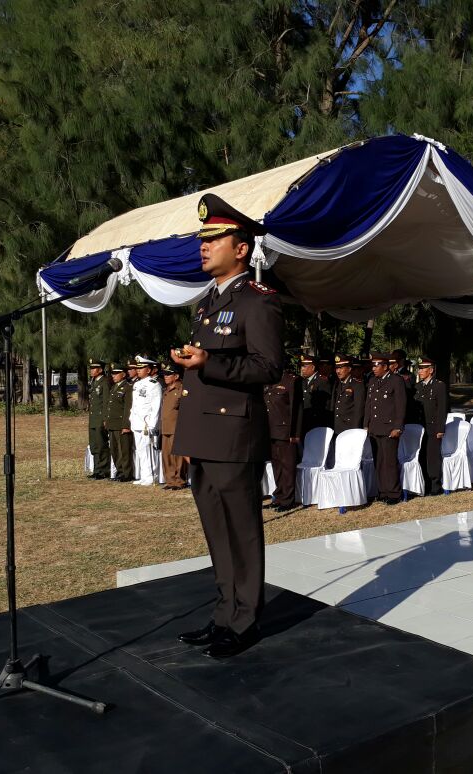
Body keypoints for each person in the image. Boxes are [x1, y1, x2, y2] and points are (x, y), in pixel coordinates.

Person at [171, 193, 283, 659]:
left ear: (241, 249)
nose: (205, 246)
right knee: (216, 530)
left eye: (215, 239)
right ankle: (223, 612)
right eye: (203, 239)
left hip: (234, 434)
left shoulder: (258, 302)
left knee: (241, 529)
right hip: (204, 433)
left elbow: (269, 366)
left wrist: (209, 361)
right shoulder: (207, 303)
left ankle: (245, 620)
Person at [364, 353, 406, 504]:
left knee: (390, 462)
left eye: (377, 366)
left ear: (385, 367)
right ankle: (382, 491)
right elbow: (369, 405)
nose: (374, 369)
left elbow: (401, 406)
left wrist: (398, 427)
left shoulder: (396, 380)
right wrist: (366, 424)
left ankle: (394, 493)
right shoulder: (373, 381)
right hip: (375, 428)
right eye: (373, 365)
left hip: (390, 428)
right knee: (379, 461)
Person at [264, 365, 302, 511]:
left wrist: (295, 433)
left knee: (288, 467)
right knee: (276, 466)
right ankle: (279, 496)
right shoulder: (266, 380)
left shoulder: (291, 380)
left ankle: (288, 500)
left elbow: (296, 409)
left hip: (285, 432)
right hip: (270, 430)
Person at [413, 356, 448, 495]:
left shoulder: (439, 386)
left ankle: (435, 485)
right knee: (421, 455)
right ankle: (425, 484)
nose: (420, 371)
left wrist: (440, 429)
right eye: (419, 368)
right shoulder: (417, 387)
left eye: (422, 369)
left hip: (433, 427)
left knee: (432, 457)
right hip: (420, 427)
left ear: (431, 370)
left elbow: (442, 409)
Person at [129, 355, 162, 487]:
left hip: (146, 423)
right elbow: (135, 405)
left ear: (148, 370)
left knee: (148, 450)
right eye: (137, 368)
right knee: (140, 450)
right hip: (136, 422)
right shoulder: (137, 384)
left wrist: (152, 424)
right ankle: (144, 475)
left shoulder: (154, 385)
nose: (138, 370)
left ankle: (150, 476)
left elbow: (156, 406)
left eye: (141, 368)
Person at [159, 364, 188, 490]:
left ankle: (179, 480)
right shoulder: (166, 390)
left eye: (168, 374)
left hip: (177, 427)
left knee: (178, 457)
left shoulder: (182, 389)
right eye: (164, 374)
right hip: (165, 427)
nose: (165, 376)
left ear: (176, 376)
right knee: (166, 455)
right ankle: (170, 480)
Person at [104, 364, 134, 482]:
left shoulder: (127, 387)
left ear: (124, 374)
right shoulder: (114, 387)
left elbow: (128, 408)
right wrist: (107, 420)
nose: (113, 376)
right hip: (113, 424)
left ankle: (127, 473)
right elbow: (109, 406)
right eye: (113, 373)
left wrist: (126, 425)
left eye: (116, 373)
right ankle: (119, 471)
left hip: (121, 424)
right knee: (115, 450)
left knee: (124, 450)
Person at [86, 360, 111, 479]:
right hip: (93, 418)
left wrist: (105, 418)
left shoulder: (104, 382)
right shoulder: (94, 382)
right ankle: (97, 469)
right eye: (91, 368)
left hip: (100, 418)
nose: (91, 370)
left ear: (100, 369)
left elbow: (106, 402)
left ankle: (104, 470)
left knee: (101, 445)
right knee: (94, 445)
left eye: (94, 368)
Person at [331, 354, 365, 435]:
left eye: (341, 368)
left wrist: (355, 430)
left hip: (349, 428)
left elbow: (359, 410)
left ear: (349, 369)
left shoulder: (357, 385)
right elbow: (333, 406)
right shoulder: (336, 384)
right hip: (336, 428)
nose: (338, 371)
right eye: (337, 368)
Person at [299, 354, 332, 435]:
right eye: (302, 366)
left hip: (316, 424)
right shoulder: (303, 381)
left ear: (313, 367)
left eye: (305, 366)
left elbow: (325, 405)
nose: (302, 369)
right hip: (304, 422)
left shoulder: (322, 381)